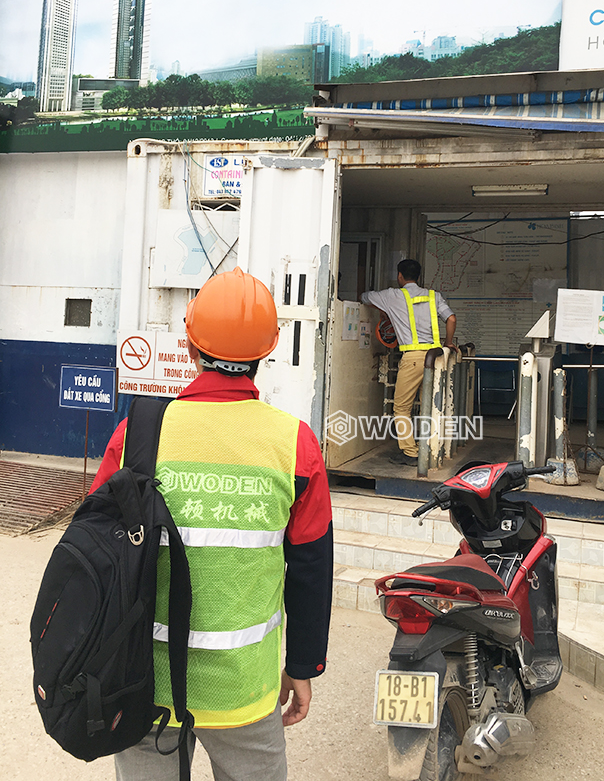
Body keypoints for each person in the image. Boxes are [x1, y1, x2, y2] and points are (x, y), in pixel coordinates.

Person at [90, 268, 333, 781]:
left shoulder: (137, 434)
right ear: (267, 352)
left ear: (189, 345)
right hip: (244, 692)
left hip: (142, 684)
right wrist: (303, 665)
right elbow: (311, 567)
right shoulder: (295, 444)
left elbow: (94, 550)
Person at [360, 259, 457, 466]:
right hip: (436, 357)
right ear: (419, 277)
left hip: (413, 358)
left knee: (401, 408)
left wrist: (384, 308)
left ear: (400, 276)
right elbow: (451, 319)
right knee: (431, 405)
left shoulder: (391, 296)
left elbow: (364, 297)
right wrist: (448, 343)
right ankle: (432, 448)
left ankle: (411, 453)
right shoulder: (434, 296)